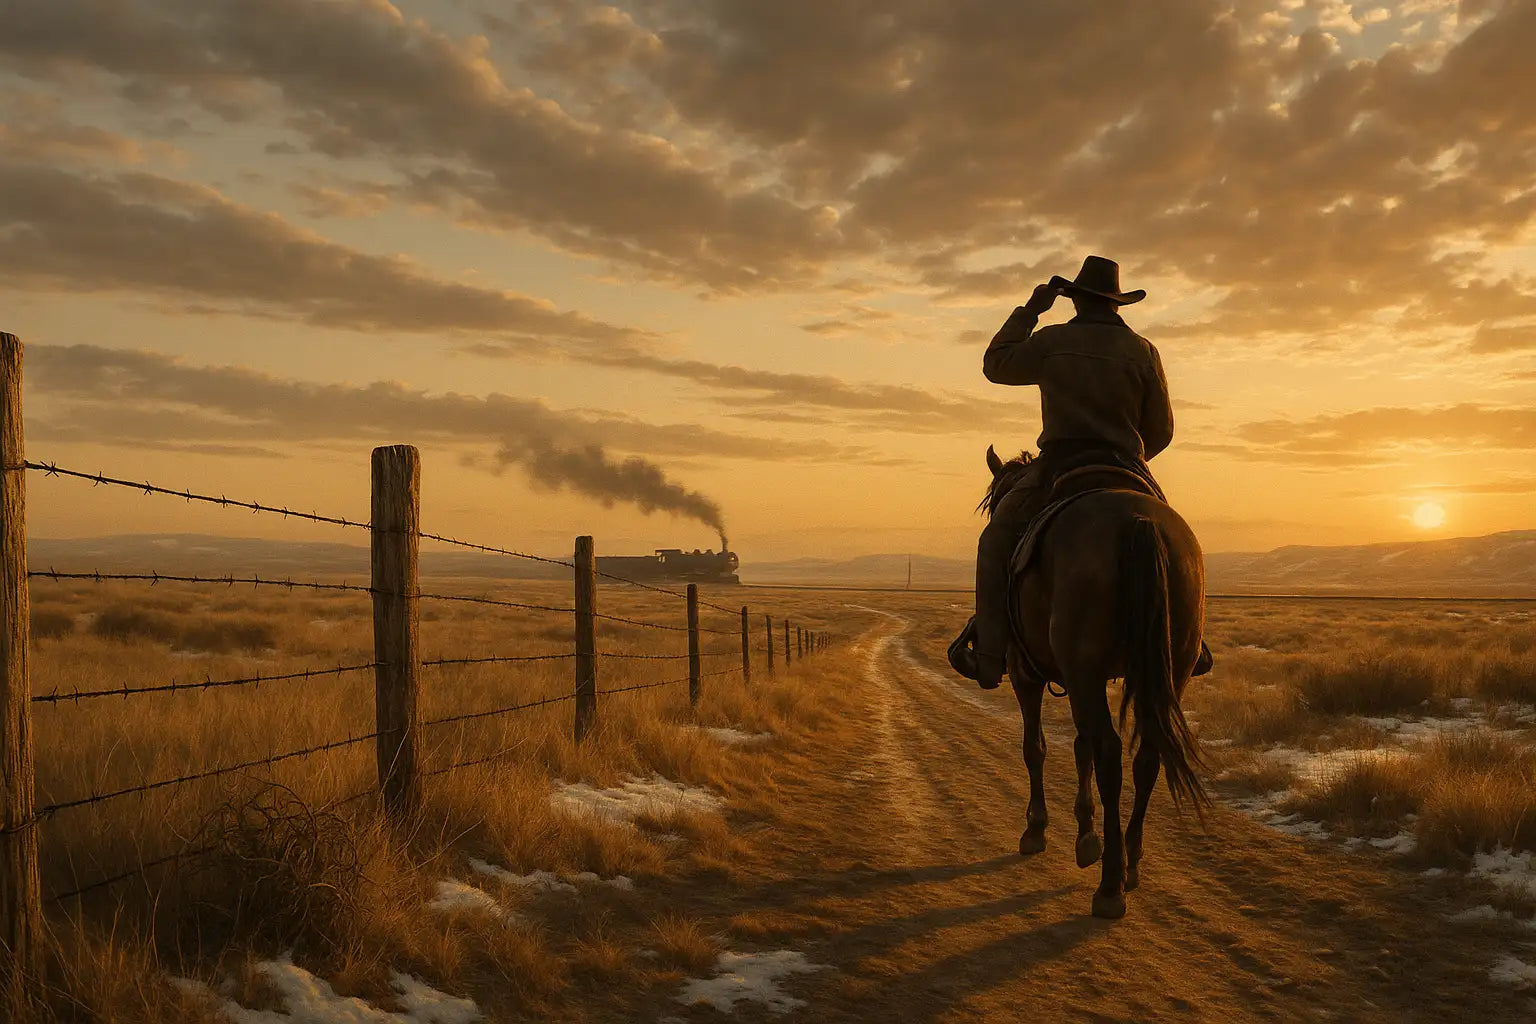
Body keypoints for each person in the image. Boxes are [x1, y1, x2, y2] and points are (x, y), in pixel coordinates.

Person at [963, 254, 1207, 690]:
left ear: (1075, 300)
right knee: (1175, 544)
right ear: (1116, 304)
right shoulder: (1144, 352)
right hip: (1130, 466)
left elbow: (996, 365)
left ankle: (988, 655)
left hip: (1059, 466)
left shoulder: (1053, 341)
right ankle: (1193, 641)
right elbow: (1163, 430)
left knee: (996, 540)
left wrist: (1031, 310)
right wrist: (1130, 456)